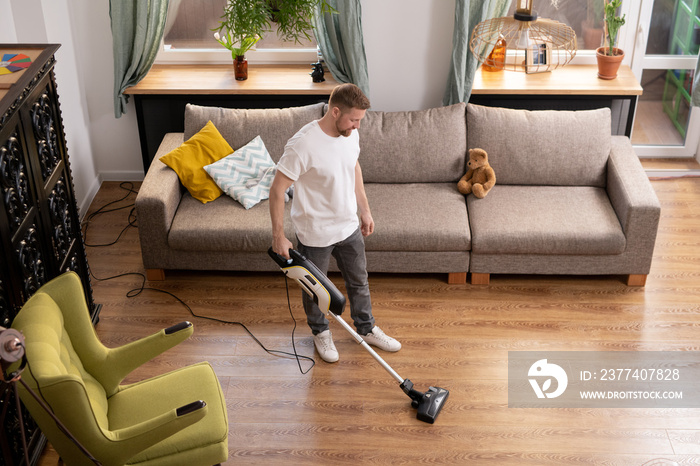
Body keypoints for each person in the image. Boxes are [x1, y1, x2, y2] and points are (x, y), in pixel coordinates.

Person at [269, 83, 401, 363]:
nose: (357, 126)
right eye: (353, 119)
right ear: (335, 111)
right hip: (315, 232)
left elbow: (353, 166)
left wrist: (365, 210)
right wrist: (278, 236)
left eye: (360, 120)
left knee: (359, 281)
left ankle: (366, 328)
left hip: (348, 226)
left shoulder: (350, 133)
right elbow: (277, 189)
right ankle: (320, 332)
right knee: (316, 289)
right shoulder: (303, 143)